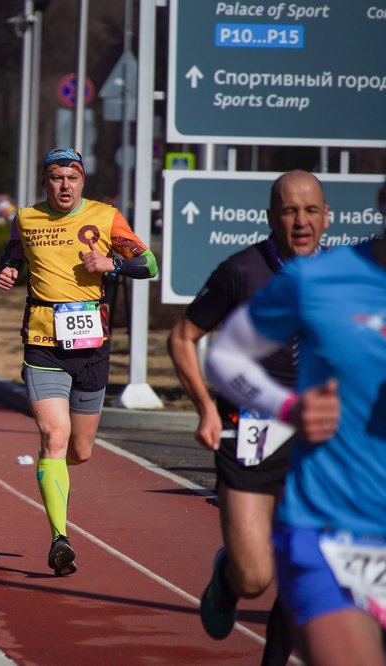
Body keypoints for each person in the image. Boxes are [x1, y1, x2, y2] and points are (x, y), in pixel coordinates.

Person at [168, 170, 329, 662]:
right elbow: (183, 338)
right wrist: (206, 410)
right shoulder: (242, 271)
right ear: (270, 217)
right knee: (255, 576)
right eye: (289, 211)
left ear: (327, 217)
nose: (300, 222)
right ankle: (228, 577)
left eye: (310, 211)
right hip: (250, 436)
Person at [206, 234, 386, 666]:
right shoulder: (317, 279)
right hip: (335, 533)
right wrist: (286, 406)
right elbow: (225, 357)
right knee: (255, 578)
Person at [0, 148, 157, 576]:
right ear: (45, 182)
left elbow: (150, 264)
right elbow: (12, 255)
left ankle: (51, 469)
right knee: (55, 434)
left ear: (82, 180)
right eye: (56, 177)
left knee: (79, 452)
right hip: (43, 344)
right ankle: (60, 539)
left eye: (72, 177)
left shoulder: (106, 216)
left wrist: (112, 263)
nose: (64, 185)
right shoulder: (27, 218)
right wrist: (8, 270)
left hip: (91, 348)